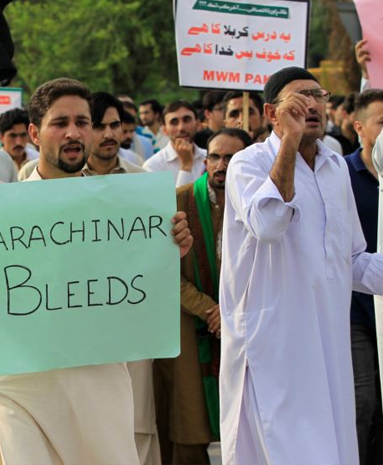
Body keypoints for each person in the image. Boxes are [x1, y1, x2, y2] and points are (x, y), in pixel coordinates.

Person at [0, 78, 194, 465]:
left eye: (83, 122)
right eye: (60, 122)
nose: (74, 132)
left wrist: (169, 250)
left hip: (99, 374)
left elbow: (137, 284)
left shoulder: (125, 211)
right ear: (35, 132)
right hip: (21, 379)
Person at [219, 66, 383, 464]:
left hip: (328, 343)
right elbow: (269, 224)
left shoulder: (336, 166)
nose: (312, 104)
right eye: (299, 99)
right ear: (271, 113)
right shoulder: (247, 164)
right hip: (274, 344)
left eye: (319, 96)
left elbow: (353, 261)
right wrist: (289, 143)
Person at [155, 128, 250, 465]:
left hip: (246, 328)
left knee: (250, 427)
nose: (222, 164)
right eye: (216, 157)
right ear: (206, 161)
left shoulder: (260, 206)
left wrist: (234, 312)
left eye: (232, 157)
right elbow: (162, 270)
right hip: (190, 329)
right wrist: (211, 309)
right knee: (189, 428)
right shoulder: (178, 201)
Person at [86, 91, 159, 465]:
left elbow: (154, 255)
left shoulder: (141, 181)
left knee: (138, 423)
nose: (108, 134)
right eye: (98, 126)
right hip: (80, 327)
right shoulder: (50, 184)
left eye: (115, 125)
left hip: (133, 323)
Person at [346, 89, 383, 465]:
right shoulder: (338, 173)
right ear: (360, 127)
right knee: (362, 401)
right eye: (382, 123)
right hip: (355, 310)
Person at [143, 100, 207, 186]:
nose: (181, 128)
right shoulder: (153, 166)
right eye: (174, 122)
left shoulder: (209, 157)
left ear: (198, 124)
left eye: (187, 120)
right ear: (164, 130)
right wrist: (185, 166)